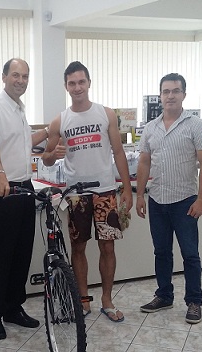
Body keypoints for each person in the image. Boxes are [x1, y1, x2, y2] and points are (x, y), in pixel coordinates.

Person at [42, 61, 133, 323]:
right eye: (72, 83)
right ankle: (82, 300)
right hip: (76, 195)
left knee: (108, 246)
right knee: (78, 247)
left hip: (105, 190)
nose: (77, 87)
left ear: (89, 83)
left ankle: (107, 300)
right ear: (66, 87)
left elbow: (118, 152)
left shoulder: (106, 114)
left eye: (82, 82)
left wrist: (126, 188)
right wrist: (52, 154)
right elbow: (46, 159)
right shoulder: (60, 120)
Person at [0, 58, 50, 340]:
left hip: (23, 187)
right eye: (16, 75)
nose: (21, 80)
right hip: (1, 189)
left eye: (25, 76)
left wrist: (50, 130)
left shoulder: (18, 108)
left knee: (21, 251)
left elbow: (21, 142)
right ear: (4, 76)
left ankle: (13, 307)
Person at [134, 73, 202, 324]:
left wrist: (201, 199)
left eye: (175, 91)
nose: (170, 96)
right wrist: (139, 195)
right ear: (160, 96)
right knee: (161, 252)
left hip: (185, 201)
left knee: (190, 254)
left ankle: (194, 302)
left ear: (184, 95)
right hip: (157, 200)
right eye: (166, 91)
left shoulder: (196, 125)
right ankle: (164, 295)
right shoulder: (151, 128)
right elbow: (145, 162)